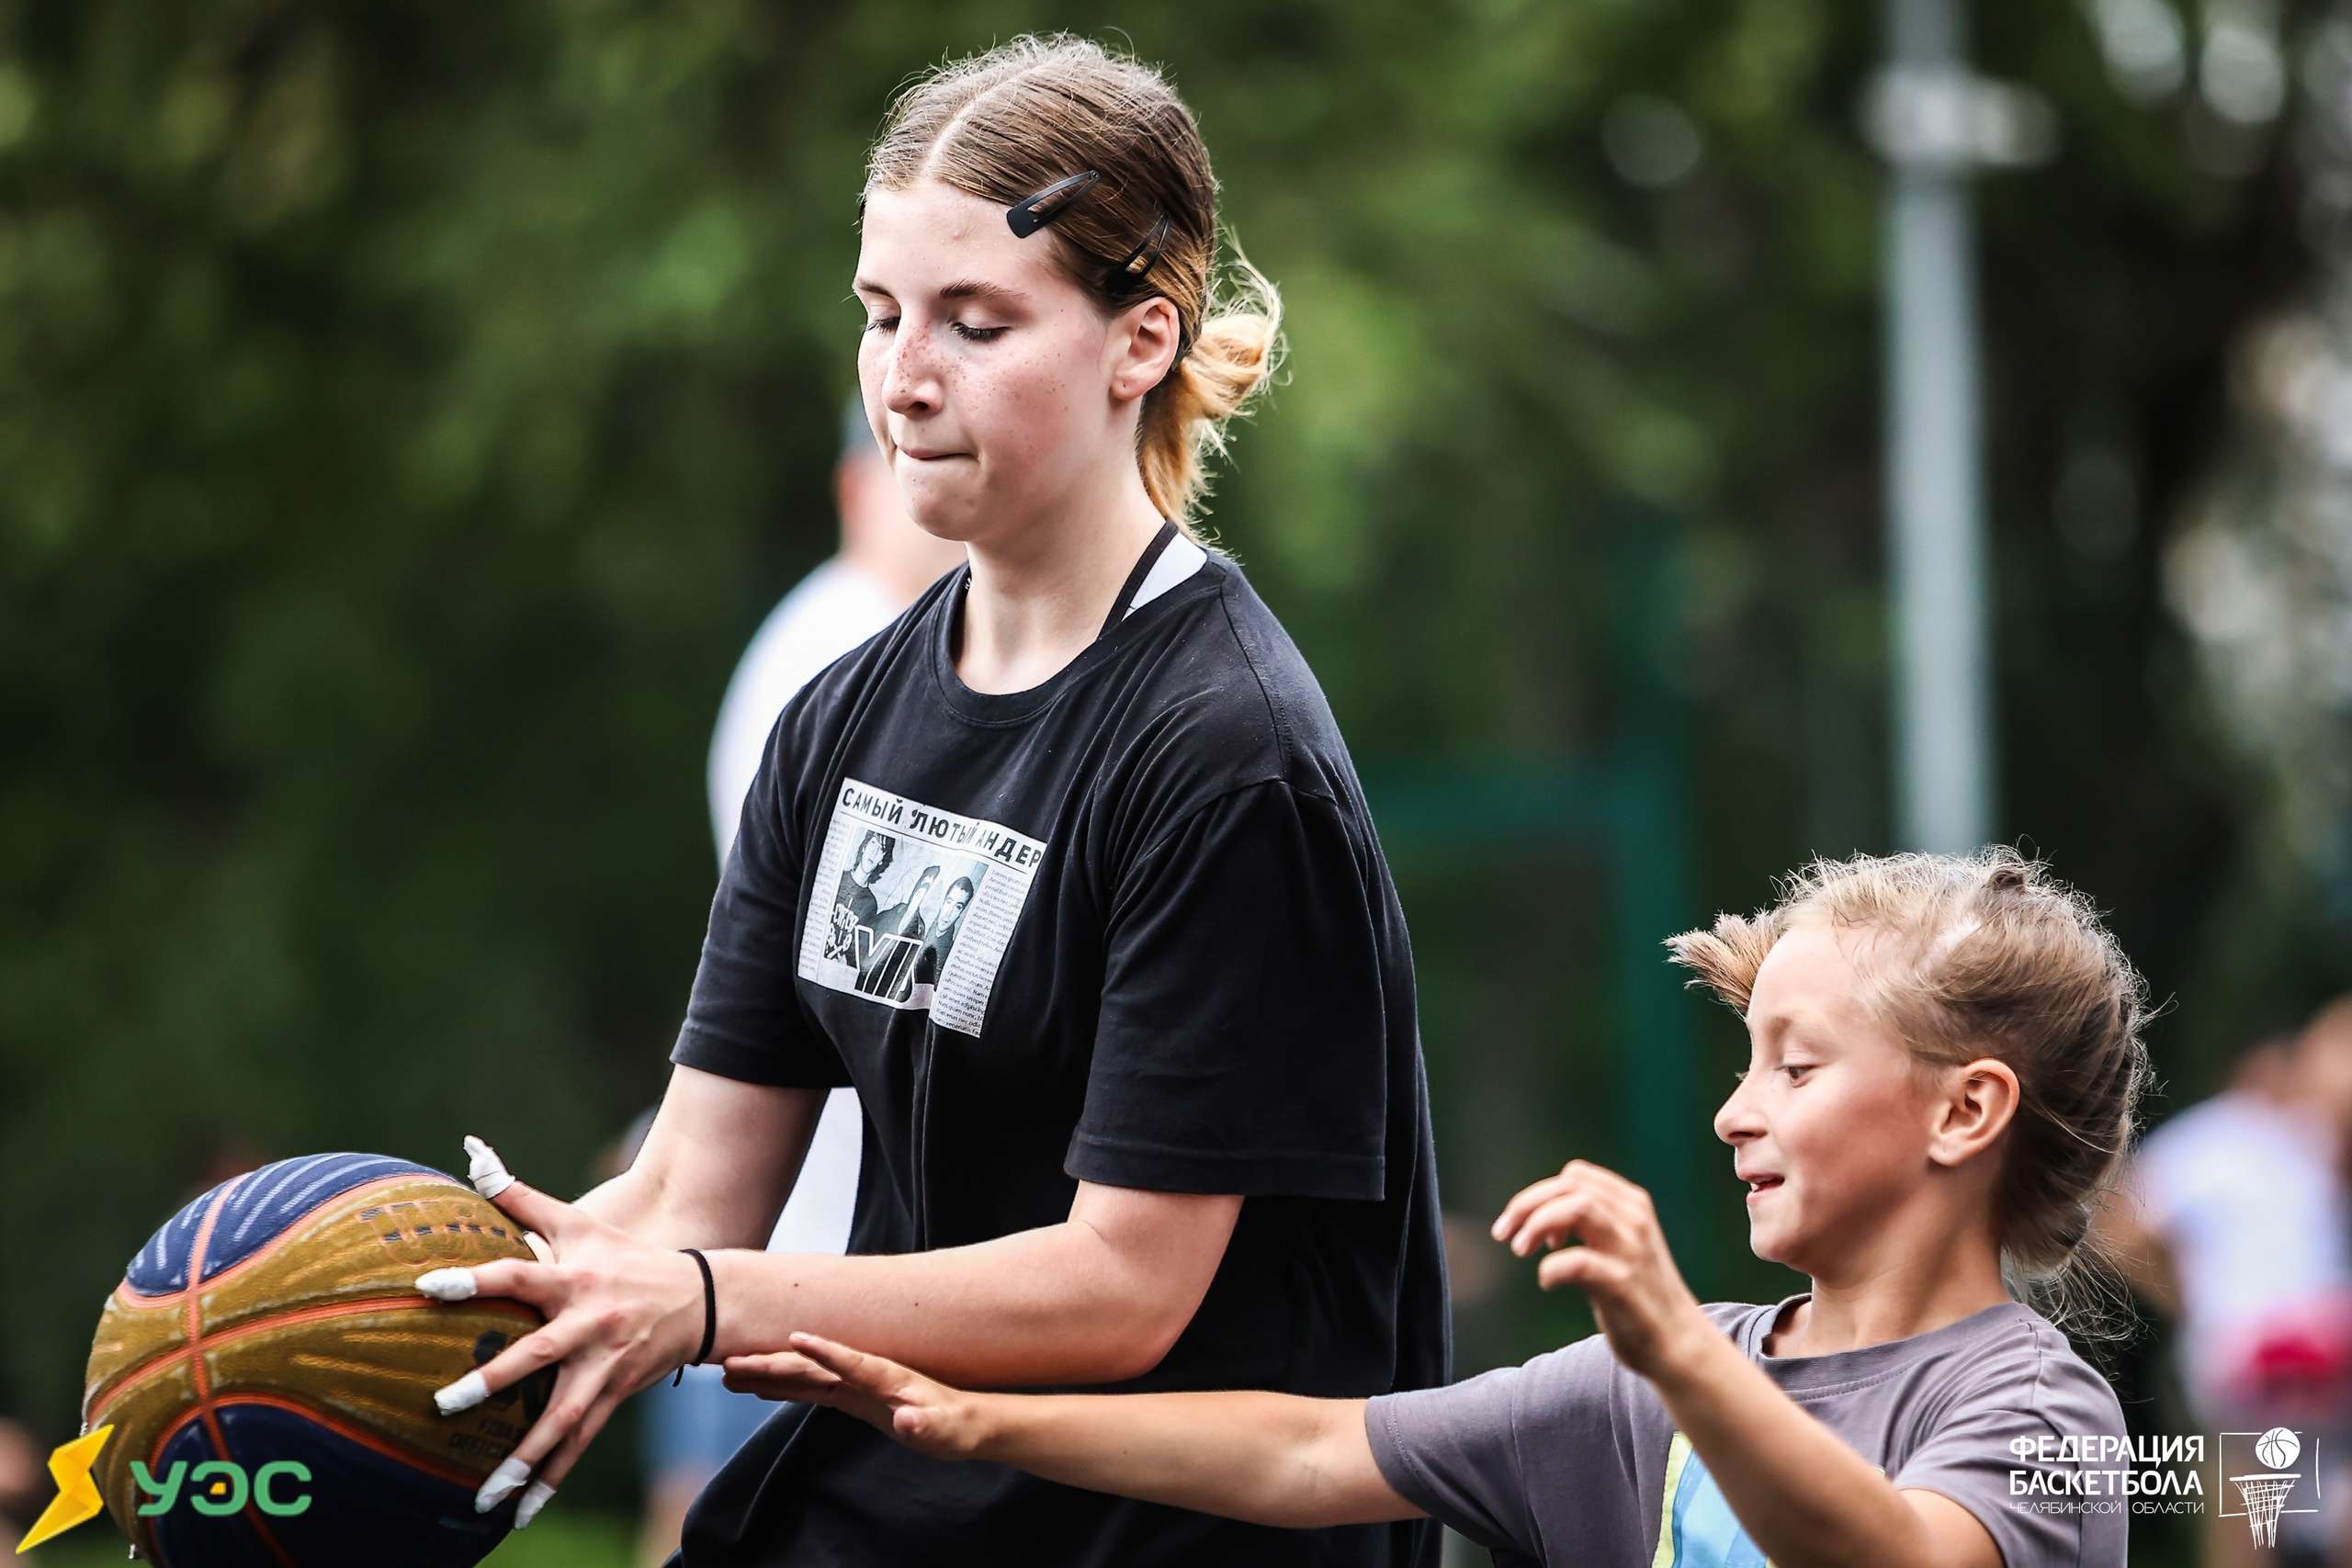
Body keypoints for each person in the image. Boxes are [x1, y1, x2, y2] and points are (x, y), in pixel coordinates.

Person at [414, 33, 1451, 1567]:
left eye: (974, 323)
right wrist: (395, 1308)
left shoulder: (1228, 759)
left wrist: (708, 1304)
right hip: (904, 1505)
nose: (902, 378)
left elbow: (1124, 1287)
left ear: (1141, 339)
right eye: (882, 314)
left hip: (1169, 1538)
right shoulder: (836, 719)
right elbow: (697, 1184)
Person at [741, 849, 2149, 1568]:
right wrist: (975, 1418)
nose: (1735, 1109)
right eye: (1743, 1061)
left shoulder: (2046, 1415)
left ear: (1967, 1110)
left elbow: (1896, 1555)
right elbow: (1307, 1450)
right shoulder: (1654, 1380)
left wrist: (1679, 1350)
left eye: (1796, 1063)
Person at [639, 400, 965, 1568]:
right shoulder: (836, 663)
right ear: (853, 487)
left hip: (826, 1257)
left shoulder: (930, 645)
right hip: (808, 1254)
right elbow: (875, 995)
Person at [2103, 1005, 2352, 1568]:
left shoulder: (2309, 1142)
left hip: (2292, 1361)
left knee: (2295, 1513)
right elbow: (2121, 1226)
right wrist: (2186, 1301)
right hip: (2259, 1359)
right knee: (2260, 1514)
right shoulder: (2221, 1136)